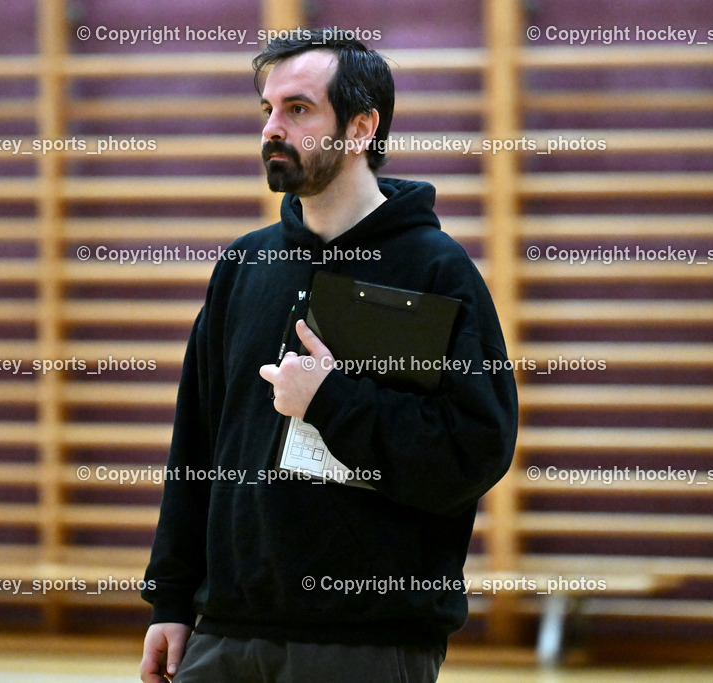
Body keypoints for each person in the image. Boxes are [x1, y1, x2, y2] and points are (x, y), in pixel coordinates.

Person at [140, 29, 518, 683]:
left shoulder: (433, 269)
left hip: (364, 644)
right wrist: (171, 601)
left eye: (299, 109)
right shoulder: (244, 264)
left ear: (361, 127)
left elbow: (470, 452)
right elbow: (195, 443)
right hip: (224, 631)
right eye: (268, 109)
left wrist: (330, 400)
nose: (272, 129)